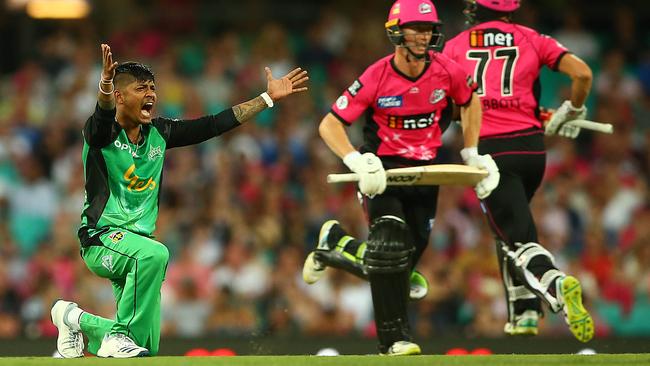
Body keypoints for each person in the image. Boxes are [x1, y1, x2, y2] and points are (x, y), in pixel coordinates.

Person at [50, 44, 308, 358]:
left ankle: (73, 318)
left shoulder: (160, 132)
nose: (151, 94)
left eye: (153, 88)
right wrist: (106, 84)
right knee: (155, 255)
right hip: (102, 239)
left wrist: (266, 99)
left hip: (137, 246)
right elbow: (103, 114)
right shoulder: (100, 134)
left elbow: (213, 125)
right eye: (140, 88)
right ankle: (113, 334)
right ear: (120, 97)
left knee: (146, 348)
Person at [302, 0, 499, 355]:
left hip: (426, 172)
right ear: (397, 32)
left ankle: (337, 244)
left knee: (401, 264)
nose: (425, 35)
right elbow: (329, 124)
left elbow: (470, 101)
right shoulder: (376, 75)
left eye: (428, 29)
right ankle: (394, 341)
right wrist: (356, 161)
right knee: (390, 247)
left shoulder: (447, 70)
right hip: (383, 173)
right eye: (417, 29)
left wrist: (472, 151)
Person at [443, 0, 594, 341]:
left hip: (490, 152)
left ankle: (554, 284)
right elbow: (583, 73)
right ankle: (524, 312)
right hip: (532, 151)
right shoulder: (531, 37)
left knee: (519, 237)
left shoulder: (454, 46)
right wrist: (572, 109)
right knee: (509, 229)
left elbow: (454, 108)